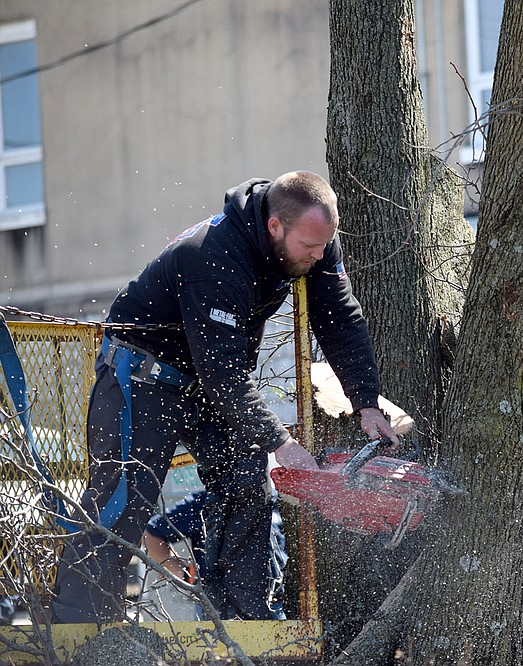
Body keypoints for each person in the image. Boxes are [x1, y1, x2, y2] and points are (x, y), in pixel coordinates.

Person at [51, 172, 398, 623]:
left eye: (322, 247)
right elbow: (225, 375)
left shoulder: (316, 238)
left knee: (246, 488)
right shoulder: (214, 255)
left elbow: (339, 319)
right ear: (275, 226)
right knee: (122, 502)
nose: (317, 257)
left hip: (207, 383)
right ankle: (78, 632)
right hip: (142, 376)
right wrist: (281, 442)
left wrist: (365, 401)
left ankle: (241, 629)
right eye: (309, 248)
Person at [141, 490, 287, 621]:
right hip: (219, 605)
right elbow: (151, 533)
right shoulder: (207, 502)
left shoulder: (274, 500)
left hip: (274, 602)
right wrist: (182, 573)